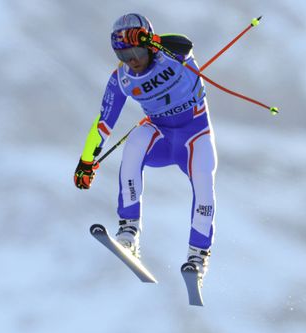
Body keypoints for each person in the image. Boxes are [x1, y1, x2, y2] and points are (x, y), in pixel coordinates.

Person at [75, 13, 218, 282]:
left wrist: (153, 41)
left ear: (149, 44)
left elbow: (185, 44)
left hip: (194, 135)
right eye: (124, 54)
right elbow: (104, 121)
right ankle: (129, 233)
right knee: (136, 141)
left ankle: (198, 258)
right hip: (161, 136)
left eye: (137, 51)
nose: (133, 60)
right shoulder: (121, 79)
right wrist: (86, 161)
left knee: (203, 181)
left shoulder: (172, 54)